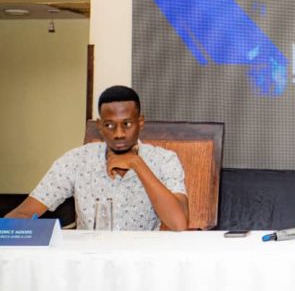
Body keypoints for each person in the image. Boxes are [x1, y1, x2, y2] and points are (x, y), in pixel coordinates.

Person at [4, 85, 189, 231]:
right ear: (99, 125)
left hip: (141, 261)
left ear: (140, 122)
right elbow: (24, 213)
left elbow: (179, 223)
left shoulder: (164, 160)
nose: (119, 134)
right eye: (109, 125)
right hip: (87, 261)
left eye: (127, 124)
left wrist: (137, 163)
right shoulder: (76, 160)